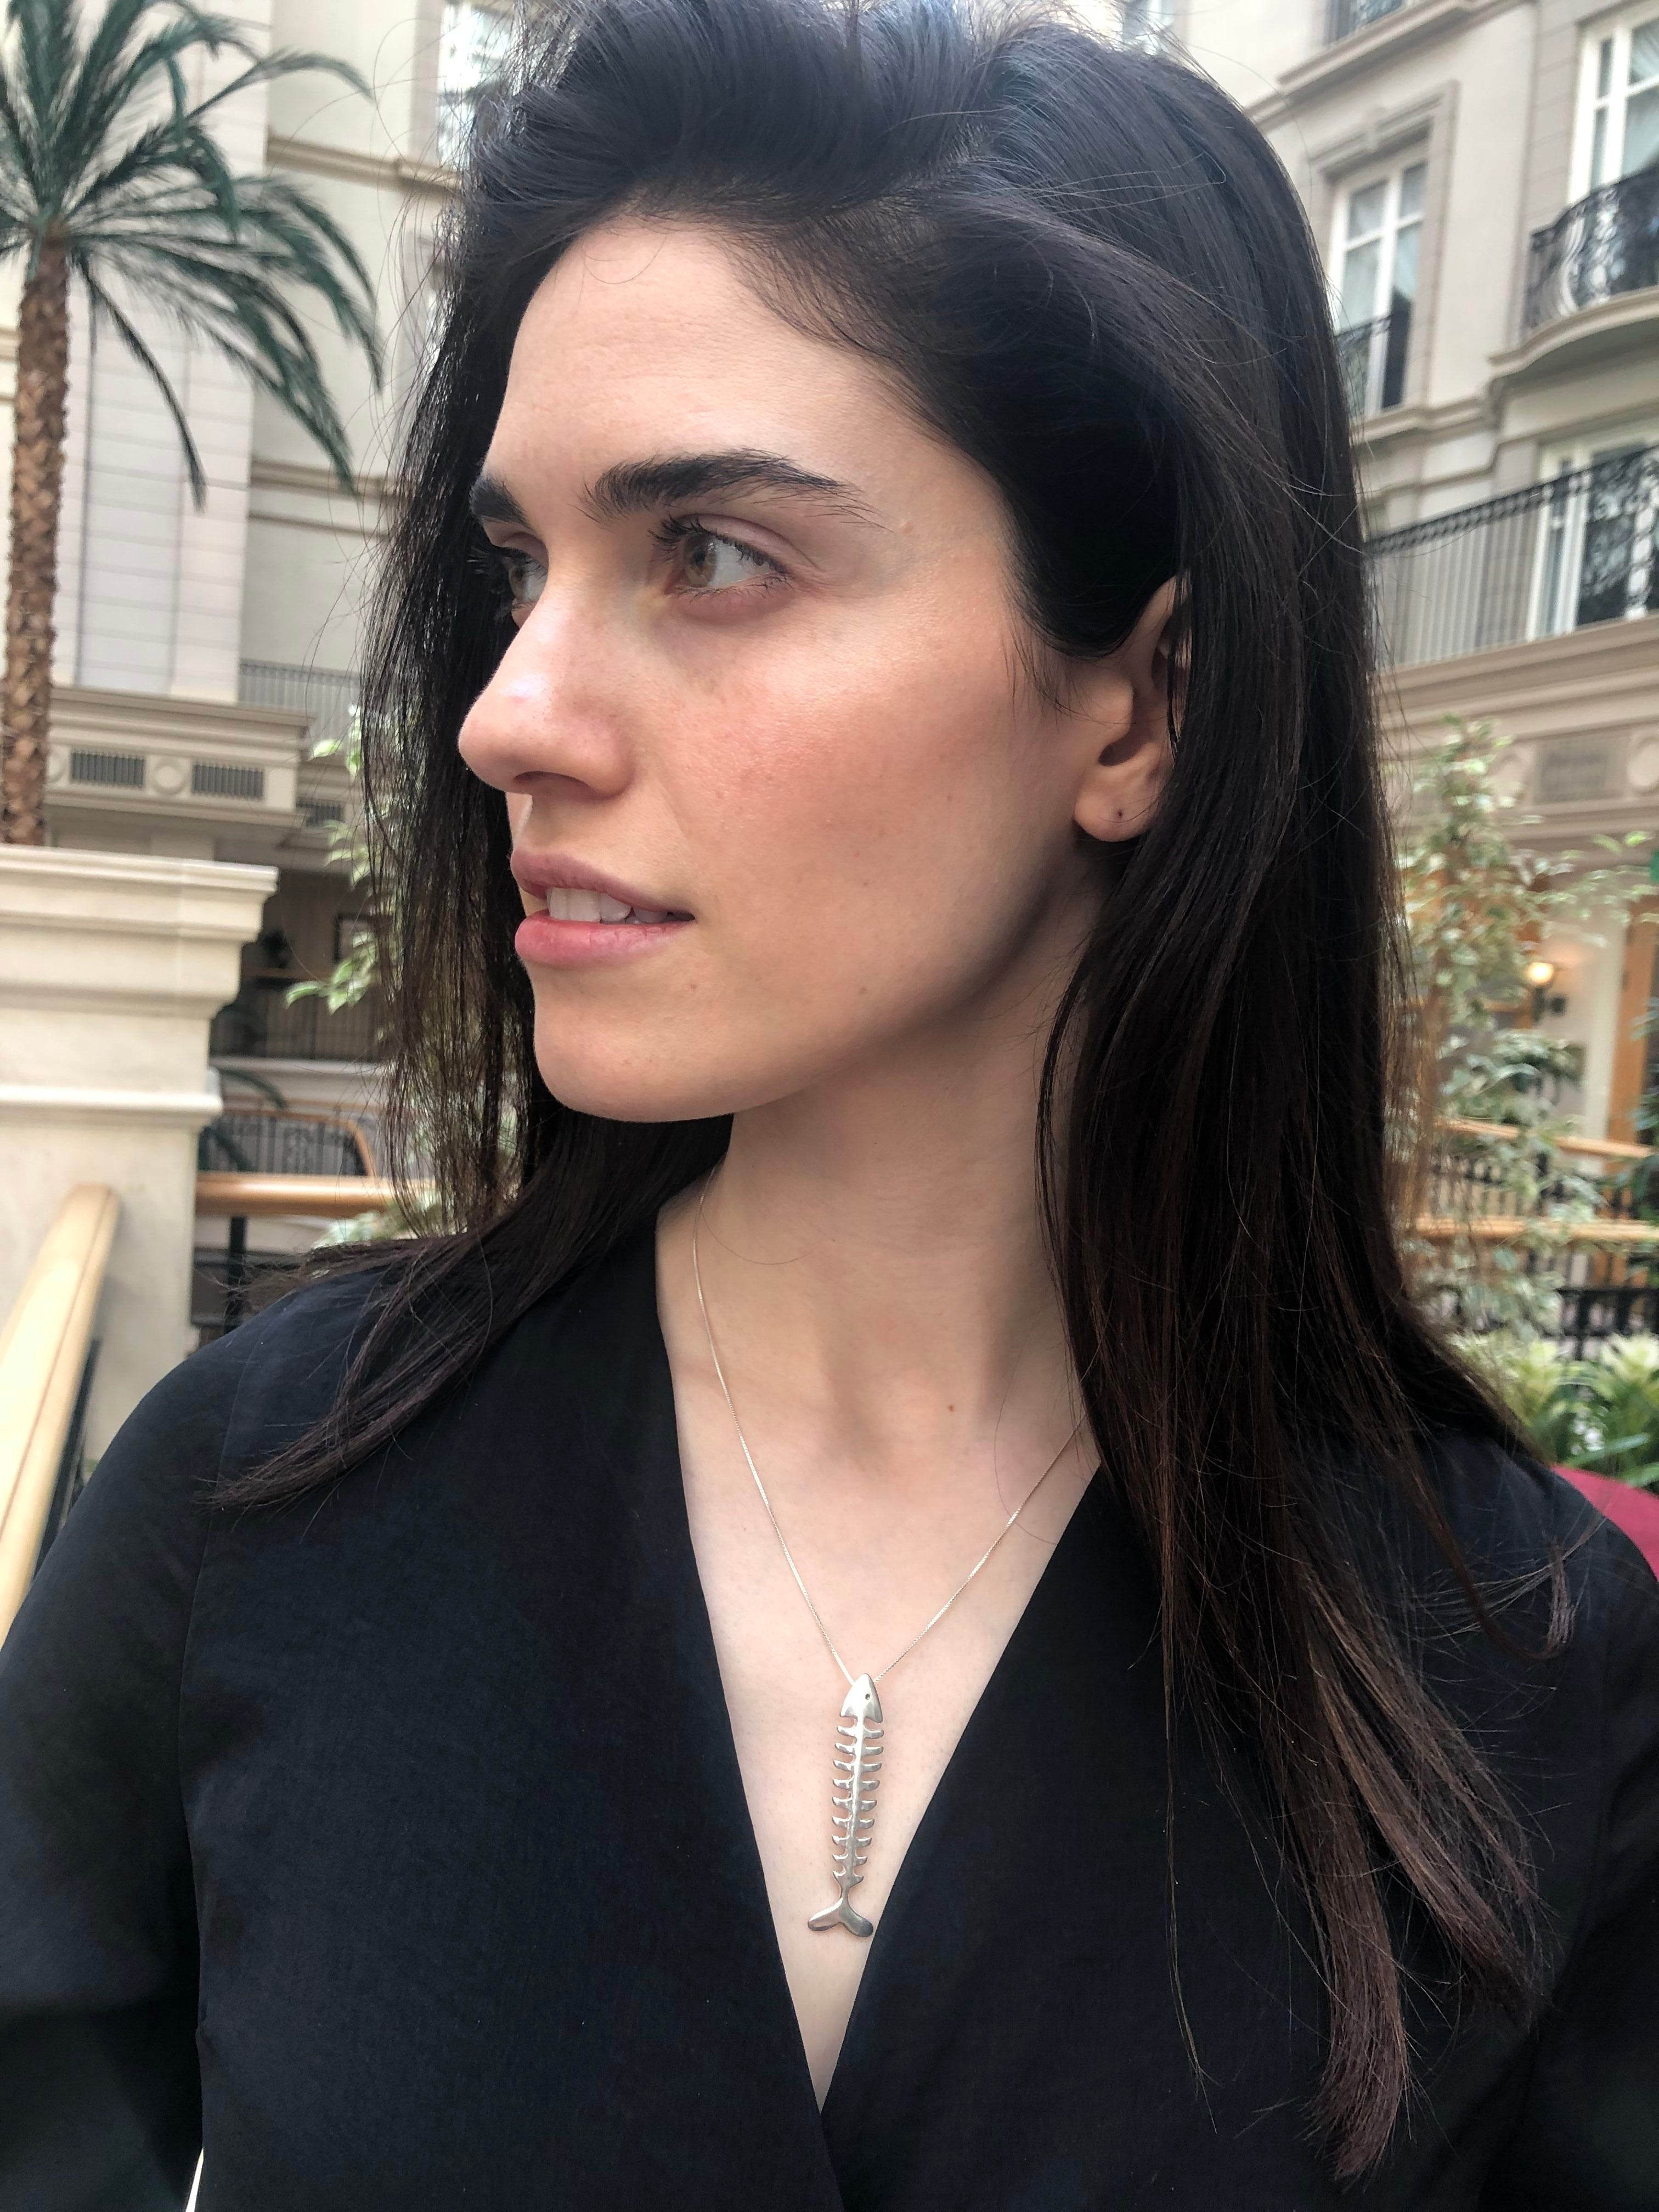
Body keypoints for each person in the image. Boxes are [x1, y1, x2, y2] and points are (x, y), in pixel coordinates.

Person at [2, 0, 1656, 2204]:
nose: (506, 714)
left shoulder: (1522, 1666)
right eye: (516, 569)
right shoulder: (257, 1498)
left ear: (1141, 703)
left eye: (710, 553)